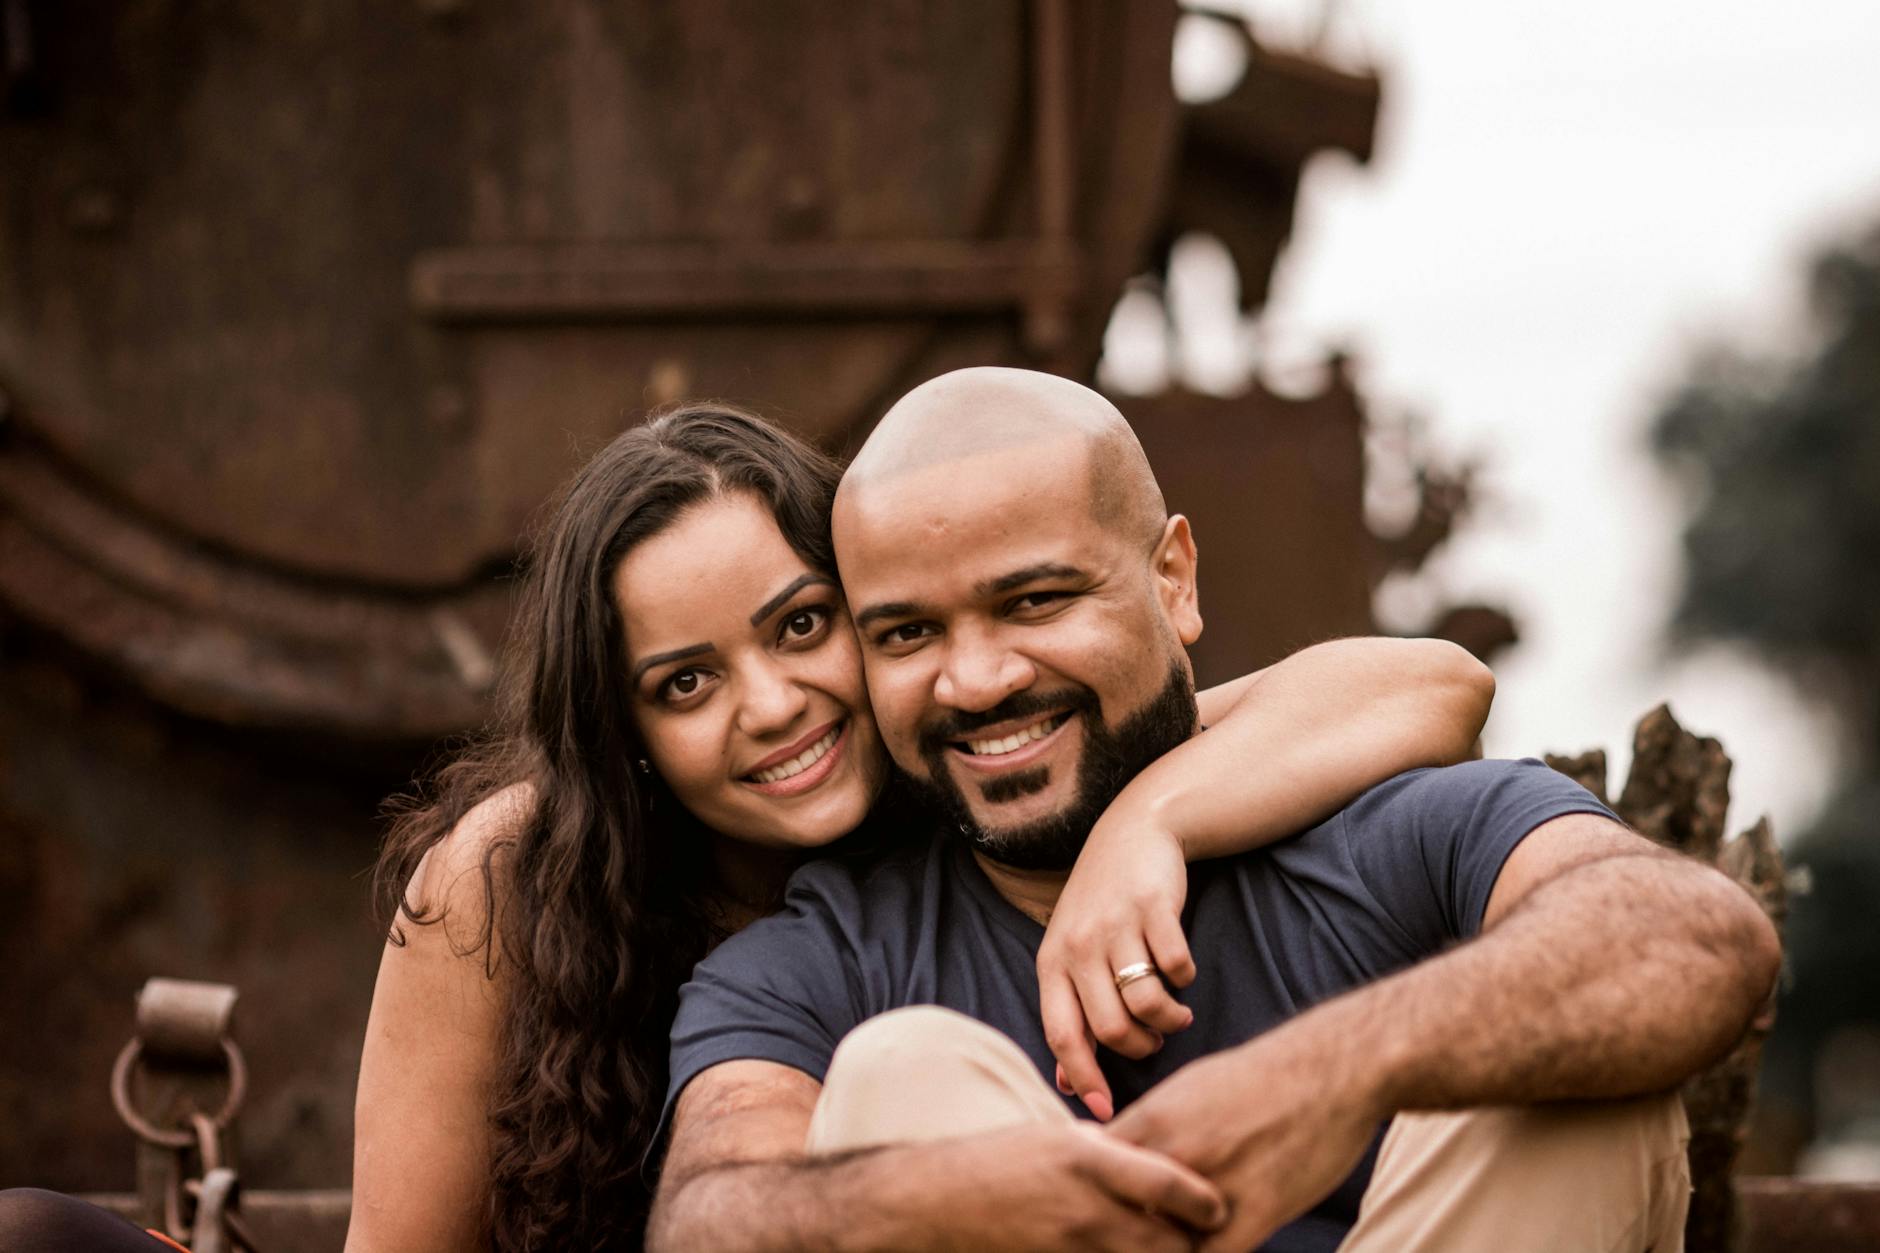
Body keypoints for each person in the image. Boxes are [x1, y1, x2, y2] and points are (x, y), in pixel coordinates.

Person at [647, 370, 1783, 1252]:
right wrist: (949, 1194)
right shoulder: (829, 952)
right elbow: (706, 1217)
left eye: (1034, 599)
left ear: (1173, 580)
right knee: (904, 1070)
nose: (975, 679)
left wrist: (1330, 1075)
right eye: (906, 633)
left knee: (1581, 1073)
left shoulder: (1396, 829)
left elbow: (1695, 937)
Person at [338, 402, 1492, 1253]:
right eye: (686, 682)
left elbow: (1424, 684)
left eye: (799, 625)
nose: (774, 702)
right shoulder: (509, 879)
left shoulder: (972, 760)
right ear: (623, 724)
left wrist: (1144, 822)